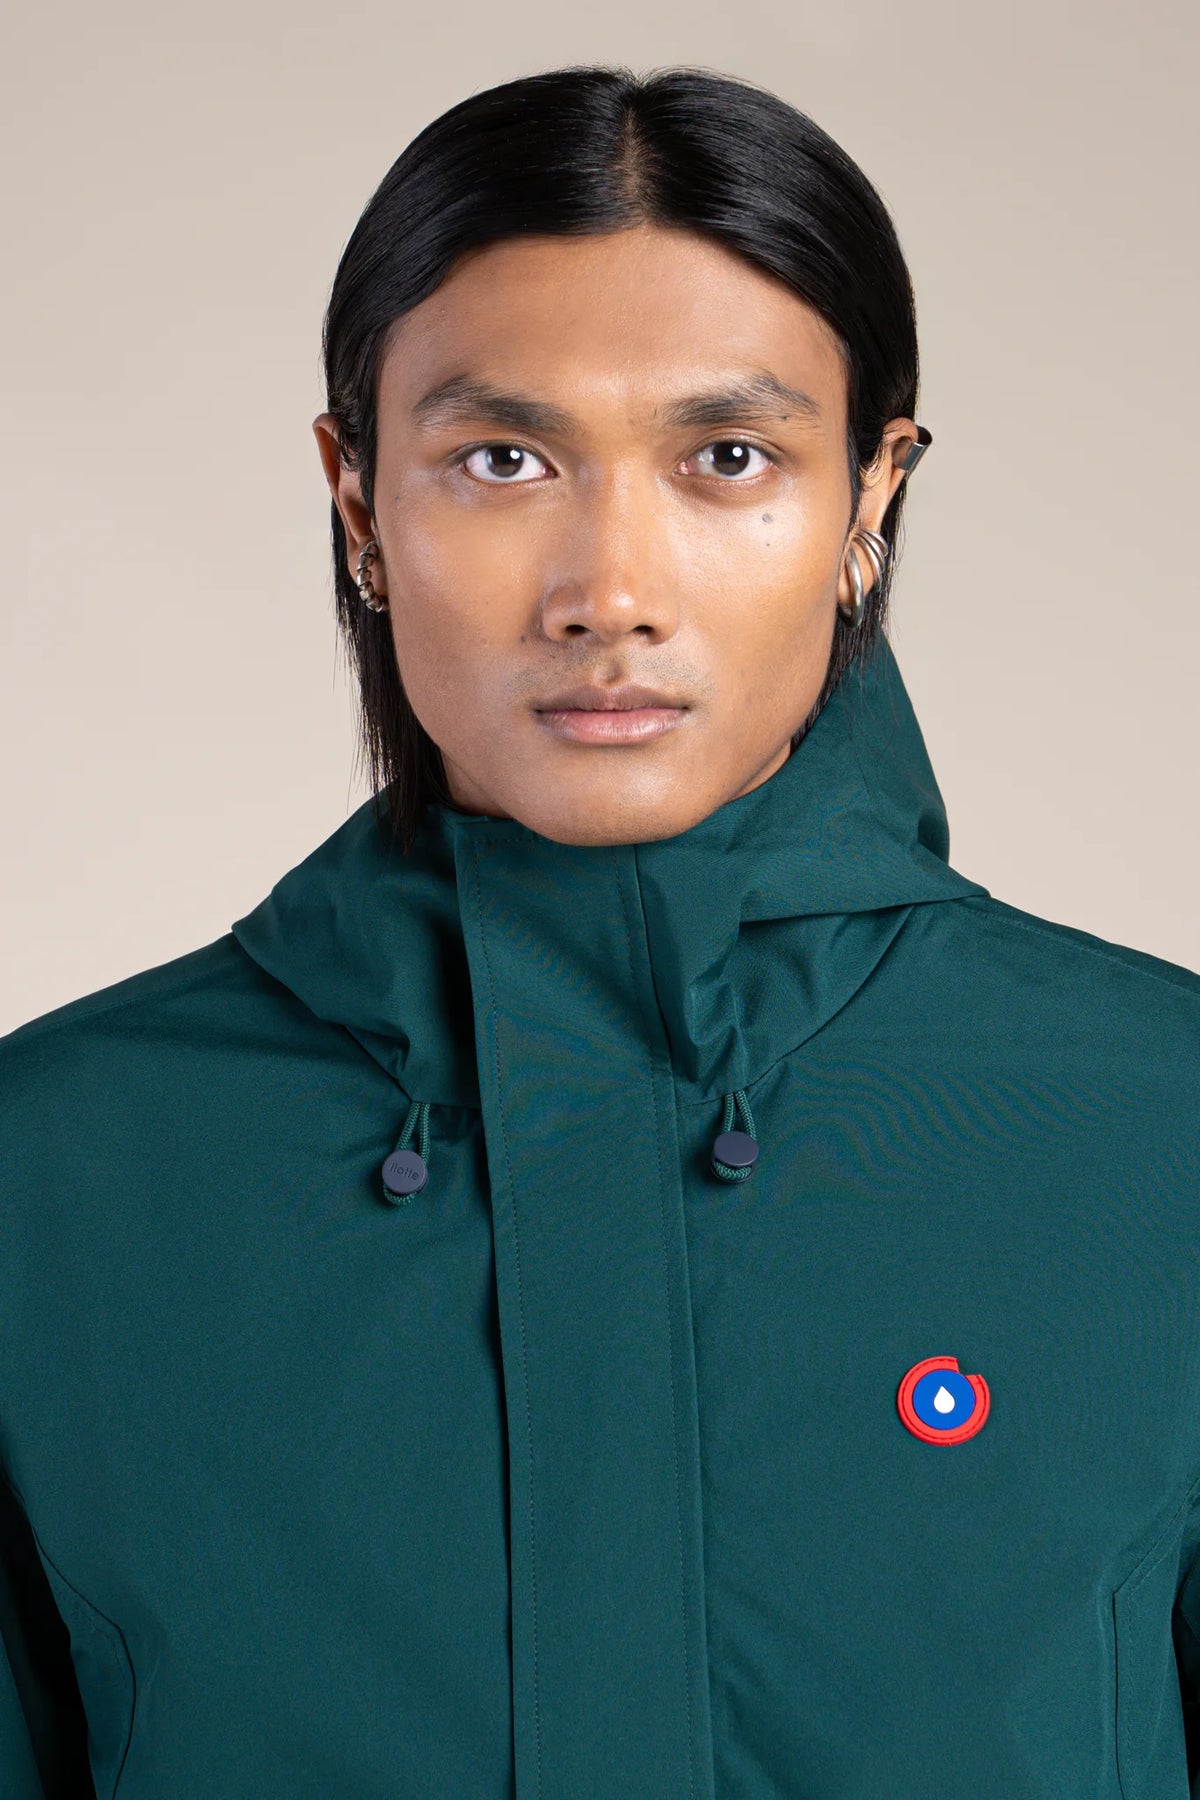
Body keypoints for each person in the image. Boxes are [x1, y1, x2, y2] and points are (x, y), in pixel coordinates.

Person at [2, 60, 1198, 1800]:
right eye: (503, 459)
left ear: (869, 494)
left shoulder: (1162, 1131)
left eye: (728, 458)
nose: (609, 591)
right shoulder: (57, 1179)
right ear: (359, 500)